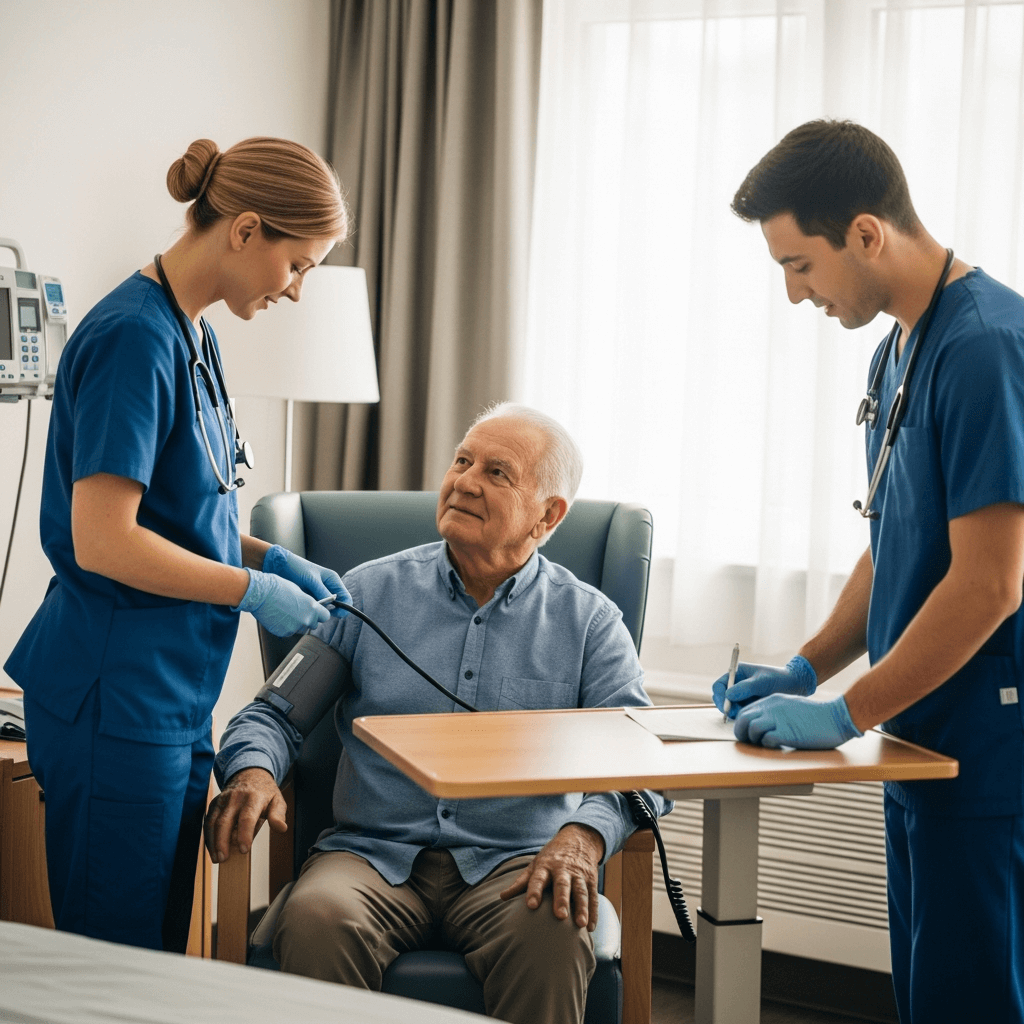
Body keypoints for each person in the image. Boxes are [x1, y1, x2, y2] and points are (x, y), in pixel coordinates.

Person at [205, 403, 670, 1024]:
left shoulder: (587, 622)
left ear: (548, 515)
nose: (466, 481)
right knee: (317, 919)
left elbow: (639, 761)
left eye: (498, 473)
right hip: (371, 856)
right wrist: (255, 771)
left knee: (553, 935)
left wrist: (584, 837)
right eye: (461, 461)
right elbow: (273, 715)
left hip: (514, 864)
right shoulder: (366, 593)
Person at [4, 137, 354, 953]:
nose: (297, 291)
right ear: (245, 230)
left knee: (157, 955)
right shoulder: (134, 338)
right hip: (115, 699)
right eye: (297, 265)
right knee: (114, 965)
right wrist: (249, 591)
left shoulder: (194, 335)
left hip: (170, 701)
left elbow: (181, 519)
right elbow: (105, 542)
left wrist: (267, 558)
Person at [716, 119, 1024, 1023]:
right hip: (918, 731)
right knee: (928, 997)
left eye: (800, 265)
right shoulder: (896, 351)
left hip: (987, 747)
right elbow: (894, 542)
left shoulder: (985, 349)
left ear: (864, 233)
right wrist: (810, 667)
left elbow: (991, 582)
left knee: (975, 1002)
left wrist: (845, 712)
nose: (792, 293)